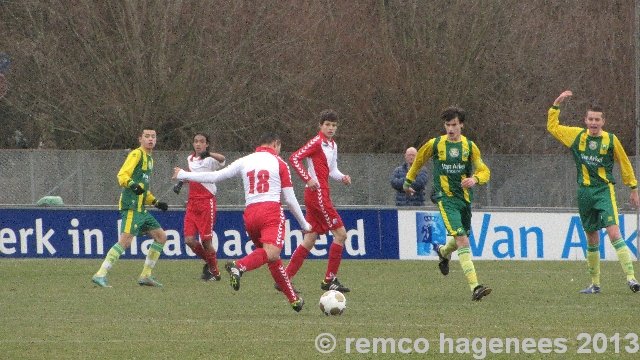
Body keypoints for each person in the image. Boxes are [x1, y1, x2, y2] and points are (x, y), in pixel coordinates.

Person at [173, 133, 311, 312]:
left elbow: (215, 177)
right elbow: (290, 200)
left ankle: (294, 299)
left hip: (250, 215)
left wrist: (185, 174)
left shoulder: (245, 160)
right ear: (275, 144)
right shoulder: (280, 163)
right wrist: (305, 225)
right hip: (270, 212)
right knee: (271, 252)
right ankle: (239, 266)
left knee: (271, 256)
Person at [548, 90, 640, 294]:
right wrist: (556, 105)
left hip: (604, 191)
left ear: (603, 121)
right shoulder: (576, 136)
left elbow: (625, 163)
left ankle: (632, 279)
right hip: (584, 193)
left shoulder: (611, 140)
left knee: (613, 231)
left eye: (597, 120)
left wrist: (633, 188)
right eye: (590, 119)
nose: (593, 123)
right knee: (591, 237)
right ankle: (595, 284)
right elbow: (552, 127)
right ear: (585, 120)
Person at [404, 106, 492, 301]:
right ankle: (475, 287)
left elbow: (484, 171)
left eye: (454, 125)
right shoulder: (435, 144)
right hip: (445, 199)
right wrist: (408, 181)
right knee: (462, 239)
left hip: (465, 200)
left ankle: (443, 252)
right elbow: (418, 161)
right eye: (447, 125)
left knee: (462, 238)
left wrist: (474, 180)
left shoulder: (469, 146)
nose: (450, 129)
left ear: (462, 124)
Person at [284, 109, 352, 293]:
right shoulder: (316, 143)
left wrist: (342, 177)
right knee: (341, 235)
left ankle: (284, 279)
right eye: (327, 125)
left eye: (334, 126)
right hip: (317, 194)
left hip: (321, 193)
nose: (331, 128)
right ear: (320, 126)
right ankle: (329, 280)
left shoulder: (332, 145)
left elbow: (332, 170)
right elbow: (295, 158)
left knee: (310, 238)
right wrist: (308, 178)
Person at [92, 127, 169, 288]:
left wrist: (155, 202)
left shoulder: (150, 159)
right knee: (125, 241)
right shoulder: (136, 154)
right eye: (147, 136)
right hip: (131, 207)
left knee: (161, 237)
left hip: (142, 209)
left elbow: (143, 188)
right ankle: (100, 274)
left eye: (153, 137)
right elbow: (122, 176)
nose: (150, 139)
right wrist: (131, 184)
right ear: (140, 139)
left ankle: (145, 276)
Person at [172, 133, 226, 281]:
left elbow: (222, 160)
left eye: (202, 142)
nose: (198, 144)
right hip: (192, 203)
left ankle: (215, 272)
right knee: (189, 240)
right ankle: (209, 264)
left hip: (206, 202)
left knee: (206, 240)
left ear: (207, 144)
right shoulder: (190, 159)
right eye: (196, 141)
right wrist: (181, 182)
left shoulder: (210, 159)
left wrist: (209, 154)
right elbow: (193, 176)